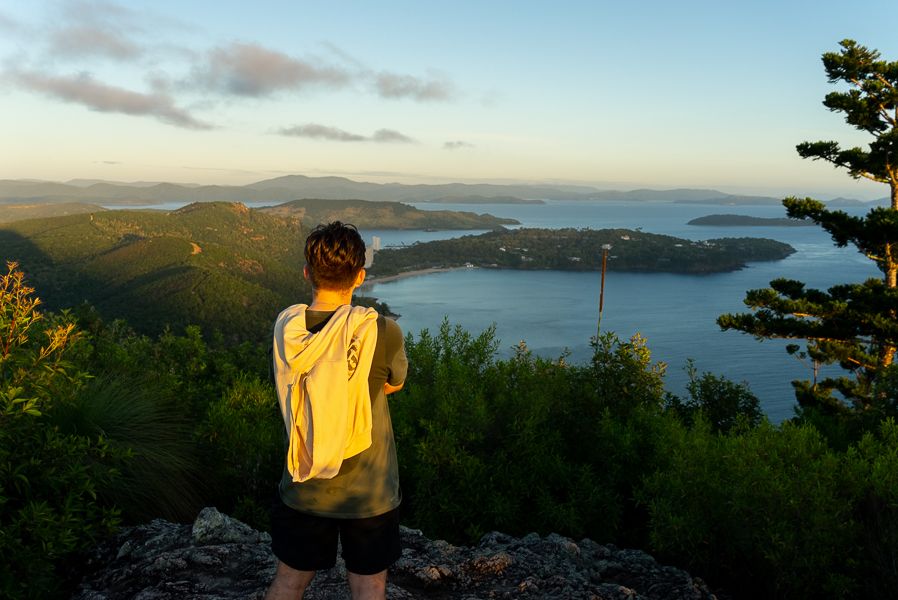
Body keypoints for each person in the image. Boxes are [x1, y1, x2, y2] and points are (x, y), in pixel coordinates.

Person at [266, 222, 407, 600]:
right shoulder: (381, 331)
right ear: (360, 276)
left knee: (289, 582)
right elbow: (393, 384)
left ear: (307, 273)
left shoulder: (285, 328)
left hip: (304, 483)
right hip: (368, 491)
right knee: (369, 585)